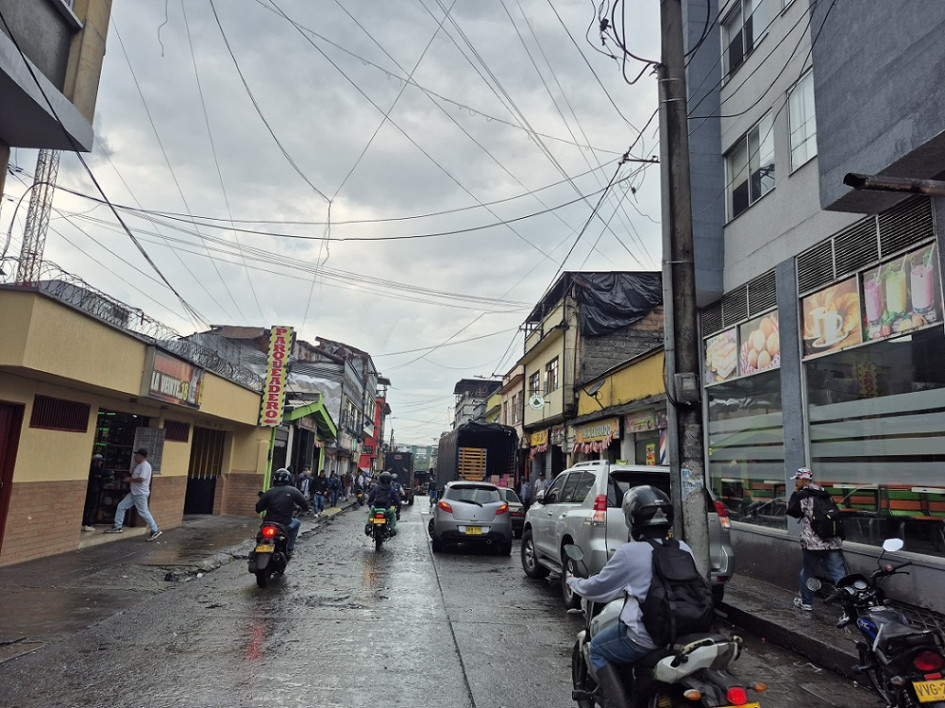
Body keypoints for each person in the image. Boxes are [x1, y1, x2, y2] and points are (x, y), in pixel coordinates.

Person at [567, 485, 691, 708]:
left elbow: (599, 587)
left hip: (647, 637)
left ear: (632, 519)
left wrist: (573, 582)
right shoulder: (682, 548)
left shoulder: (630, 552)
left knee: (596, 649)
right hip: (684, 631)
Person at [786, 467, 847, 611]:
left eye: (797, 479)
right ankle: (848, 606)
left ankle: (806, 603)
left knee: (807, 571)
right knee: (839, 574)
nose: (796, 482)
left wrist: (795, 493)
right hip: (832, 541)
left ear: (802, 479)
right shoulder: (824, 493)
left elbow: (792, 511)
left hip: (813, 542)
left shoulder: (802, 495)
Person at [105, 449, 162, 542]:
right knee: (121, 506)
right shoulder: (140, 465)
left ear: (141, 456)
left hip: (140, 493)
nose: (135, 457)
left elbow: (142, 479)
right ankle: (117, 526)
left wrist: (130, 479)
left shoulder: (145, 466)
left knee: (143, 512)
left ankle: (155, 529)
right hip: (134, 492)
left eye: (137, 455)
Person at [255, 468, 310, 555]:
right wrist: (307, 509)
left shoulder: (269, 492)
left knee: (260, 534)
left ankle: (256, 550)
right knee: (297, 523)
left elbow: (258, 508)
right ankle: (290, 548)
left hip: (268, 522)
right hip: (285, 523)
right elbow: (304, 503)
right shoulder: (293, 490)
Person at [82, 453, 111, 531]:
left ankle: (84, 523)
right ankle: (88, 524)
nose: (100, 463)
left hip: (92, 489)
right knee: (91, 507)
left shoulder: (93, 469)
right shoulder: (94, 468)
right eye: (99, 461)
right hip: (93, 490)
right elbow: (107, 472)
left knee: (88, 507)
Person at [367, 471, 401, 535]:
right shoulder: (391, 489)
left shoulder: (376, 488)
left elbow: (370, 497)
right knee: (393, 515)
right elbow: (396, 499)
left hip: (376, 508)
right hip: (387, 509)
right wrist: (397, 504)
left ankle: (368, 526)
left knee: (370, 514)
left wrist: (370, 504)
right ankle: (391, 528)